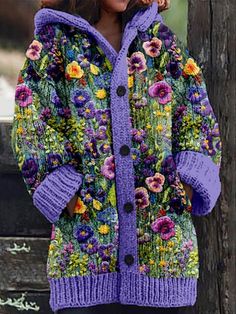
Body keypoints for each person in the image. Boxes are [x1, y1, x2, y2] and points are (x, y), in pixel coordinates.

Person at [11, 0, 222, 313]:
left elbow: (196, 114)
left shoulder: (160, 43)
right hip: (85, 256)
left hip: (161, 259)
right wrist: (65, 192)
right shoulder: (53, 47)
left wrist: (189, 184)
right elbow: (33, 121)